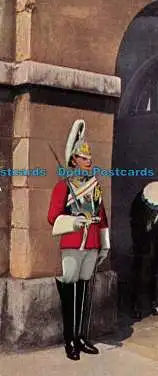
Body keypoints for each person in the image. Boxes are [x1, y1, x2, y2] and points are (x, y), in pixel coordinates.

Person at [48, 119, 110, 361]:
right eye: (84, 158)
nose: (89, 161)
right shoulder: (63, 187)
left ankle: (83, 337)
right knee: (71, 287)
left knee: (86, 289)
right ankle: (70, 340)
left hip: (92, 241)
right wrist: (74, 221)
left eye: (89, 157)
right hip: (73, 242)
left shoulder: (94, 187)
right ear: (73, 160)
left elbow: (101, 216)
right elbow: (53, 217)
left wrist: (104, 243)